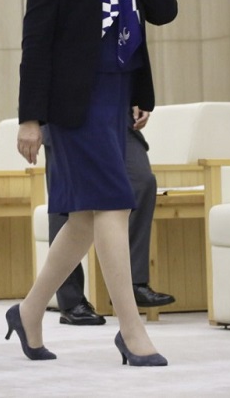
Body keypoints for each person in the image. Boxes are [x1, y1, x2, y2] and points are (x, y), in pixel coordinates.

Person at [12, 0, 178, 367]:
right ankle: (130, 331)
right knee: (112, 201)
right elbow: (36, 38)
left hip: (119, 91)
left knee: (84, 217)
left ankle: (30, 310)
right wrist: (30, 116)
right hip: (75, 99)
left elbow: (164, 11)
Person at [44, 109, 174, 326]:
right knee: (67, 200)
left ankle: (134, 282)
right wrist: (29, 120)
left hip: (115, 109)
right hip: (64, 109)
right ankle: (71, 301)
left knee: (141, 181)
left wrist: (141, 99)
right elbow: (35, 74)